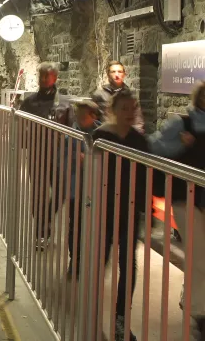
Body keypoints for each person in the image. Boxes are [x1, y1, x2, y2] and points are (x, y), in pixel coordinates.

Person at [149, 81, 205, 337]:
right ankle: (198, 312)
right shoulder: (181, 123)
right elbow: (153, 147)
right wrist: (179, 145)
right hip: (186, 197)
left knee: (199, 254)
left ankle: (190, 298)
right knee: (199, 254)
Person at [92, 90, 147, 341]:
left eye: (133, 108)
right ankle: (91, 309)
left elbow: (146, 175)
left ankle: (120, 320)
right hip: (104, 208)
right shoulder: (101, 136)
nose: (129, 113)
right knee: (99, 260)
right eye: (124, 108)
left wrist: (146, 208)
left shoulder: (139, 141)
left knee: (127, 264)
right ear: (113, 110)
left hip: (129, 210)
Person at [19, 62, 73, 248]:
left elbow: (71, 127)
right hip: (37, 152)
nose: (43, 79)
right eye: (41, 75)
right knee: (39, 193)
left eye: (47, 76)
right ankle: (41, 233)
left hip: (59, 154)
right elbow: (20, 124)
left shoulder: (63, 102)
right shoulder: (29, 102)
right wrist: (25, 141)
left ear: (55, 77)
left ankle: (46, 218)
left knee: (62, 190)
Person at [60, 100, 101, 279]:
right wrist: (76, 159)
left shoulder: (102, 133)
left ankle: (92, 262)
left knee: (95, 227)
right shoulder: (70, 136)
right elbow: (63, 160)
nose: (79, 118)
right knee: (76, 225)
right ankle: (75, 262)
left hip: (96, 188)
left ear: (93, 116)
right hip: (76, 188)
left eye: (83, 115)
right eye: (78, 115)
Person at [91, 61, 144, 133]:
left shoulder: (130, 96)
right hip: (106, 135)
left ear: (124, 74)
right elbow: (92, 119)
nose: (117, 75)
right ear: (108, 74)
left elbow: (138, 120)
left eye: (120, 71)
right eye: (113, 72)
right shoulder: (99, 95)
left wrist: (135, 135)